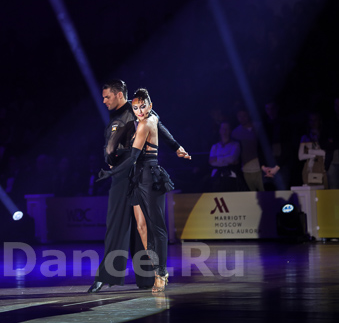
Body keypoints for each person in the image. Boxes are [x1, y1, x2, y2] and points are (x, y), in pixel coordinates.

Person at [88, 82, 190, 294]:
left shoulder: (142, 112)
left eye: (107, 96)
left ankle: (152, 275)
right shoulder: (125, 114)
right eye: (137, 108)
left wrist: (177, 147)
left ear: (119, 95)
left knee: (144, 226)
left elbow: (159, 128)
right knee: (135, 226)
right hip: (129, 173)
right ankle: (119, 275)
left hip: (137, 171)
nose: (104, 101)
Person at [232, 108, 264, 191]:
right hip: (246, 170)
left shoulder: (259, 127)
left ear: (248, 115)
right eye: (240, 116)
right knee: (251, 195)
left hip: (261, 168)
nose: (242, 118)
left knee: (265, 193)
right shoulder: (235, 132)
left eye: (244, 116)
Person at [208, 121, 242, 192]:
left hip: (230, 175)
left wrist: (217, 159)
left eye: (226, 129)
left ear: (230, 130)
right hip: (216, 177)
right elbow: (211, 161)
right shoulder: (215, 146)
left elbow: (232, 158)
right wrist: (227, 159)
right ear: (220, 130)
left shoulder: (235, 144)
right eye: (223, 129)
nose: (224, 131)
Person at [298, 112, 328, 188]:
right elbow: (300, 156)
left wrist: (310, 152)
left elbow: (325, 153)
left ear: (319, 121)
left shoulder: (324, 136)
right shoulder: (305, 137)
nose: (313, 123)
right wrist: (314, 154)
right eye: (311, 120)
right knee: (310, 191)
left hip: (322, 168)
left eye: (315, 120)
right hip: (309, 168)